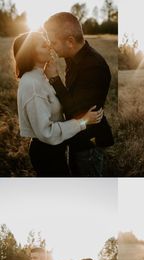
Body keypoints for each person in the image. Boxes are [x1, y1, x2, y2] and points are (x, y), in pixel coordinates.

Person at [13, 31, 103, 177]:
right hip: (46, 153)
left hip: (55, 149)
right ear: (30, 53)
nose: (50, 46)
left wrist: (54, 77)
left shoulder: (40, 76)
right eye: (44, 45)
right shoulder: (32, 84)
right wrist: (82, 122)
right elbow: (46, 133)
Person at [44, 12, 114, 177]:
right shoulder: (72, 56)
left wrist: (54, 79)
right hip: (76, 136)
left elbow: (77, 111)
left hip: (88, 143)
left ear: (70, 41)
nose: (50, 47)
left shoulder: (94, 67)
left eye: (53, 42)